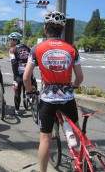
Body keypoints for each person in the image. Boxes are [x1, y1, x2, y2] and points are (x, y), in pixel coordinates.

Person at [23, 11, 84, 172]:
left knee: (45, 139)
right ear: (61, 30)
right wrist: (74, 87)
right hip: (67, 98)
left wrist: (30, 91)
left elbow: (26, 77)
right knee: (77, 130)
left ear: (45, 28)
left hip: (48, 101)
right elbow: (79, 77)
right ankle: (81, 160)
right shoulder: (71, 49)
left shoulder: (37, 49)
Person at [8, 32, 33, 115]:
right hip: (29, 72)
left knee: (17, 92)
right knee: (30, 88)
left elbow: (14, 63)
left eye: (10, 40)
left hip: (19, 73)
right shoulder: (28, 48)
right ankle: (32, 101)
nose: (9, 42)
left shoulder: (12, 49)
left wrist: (15, 76)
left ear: (15, 40)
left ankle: (17, 110)